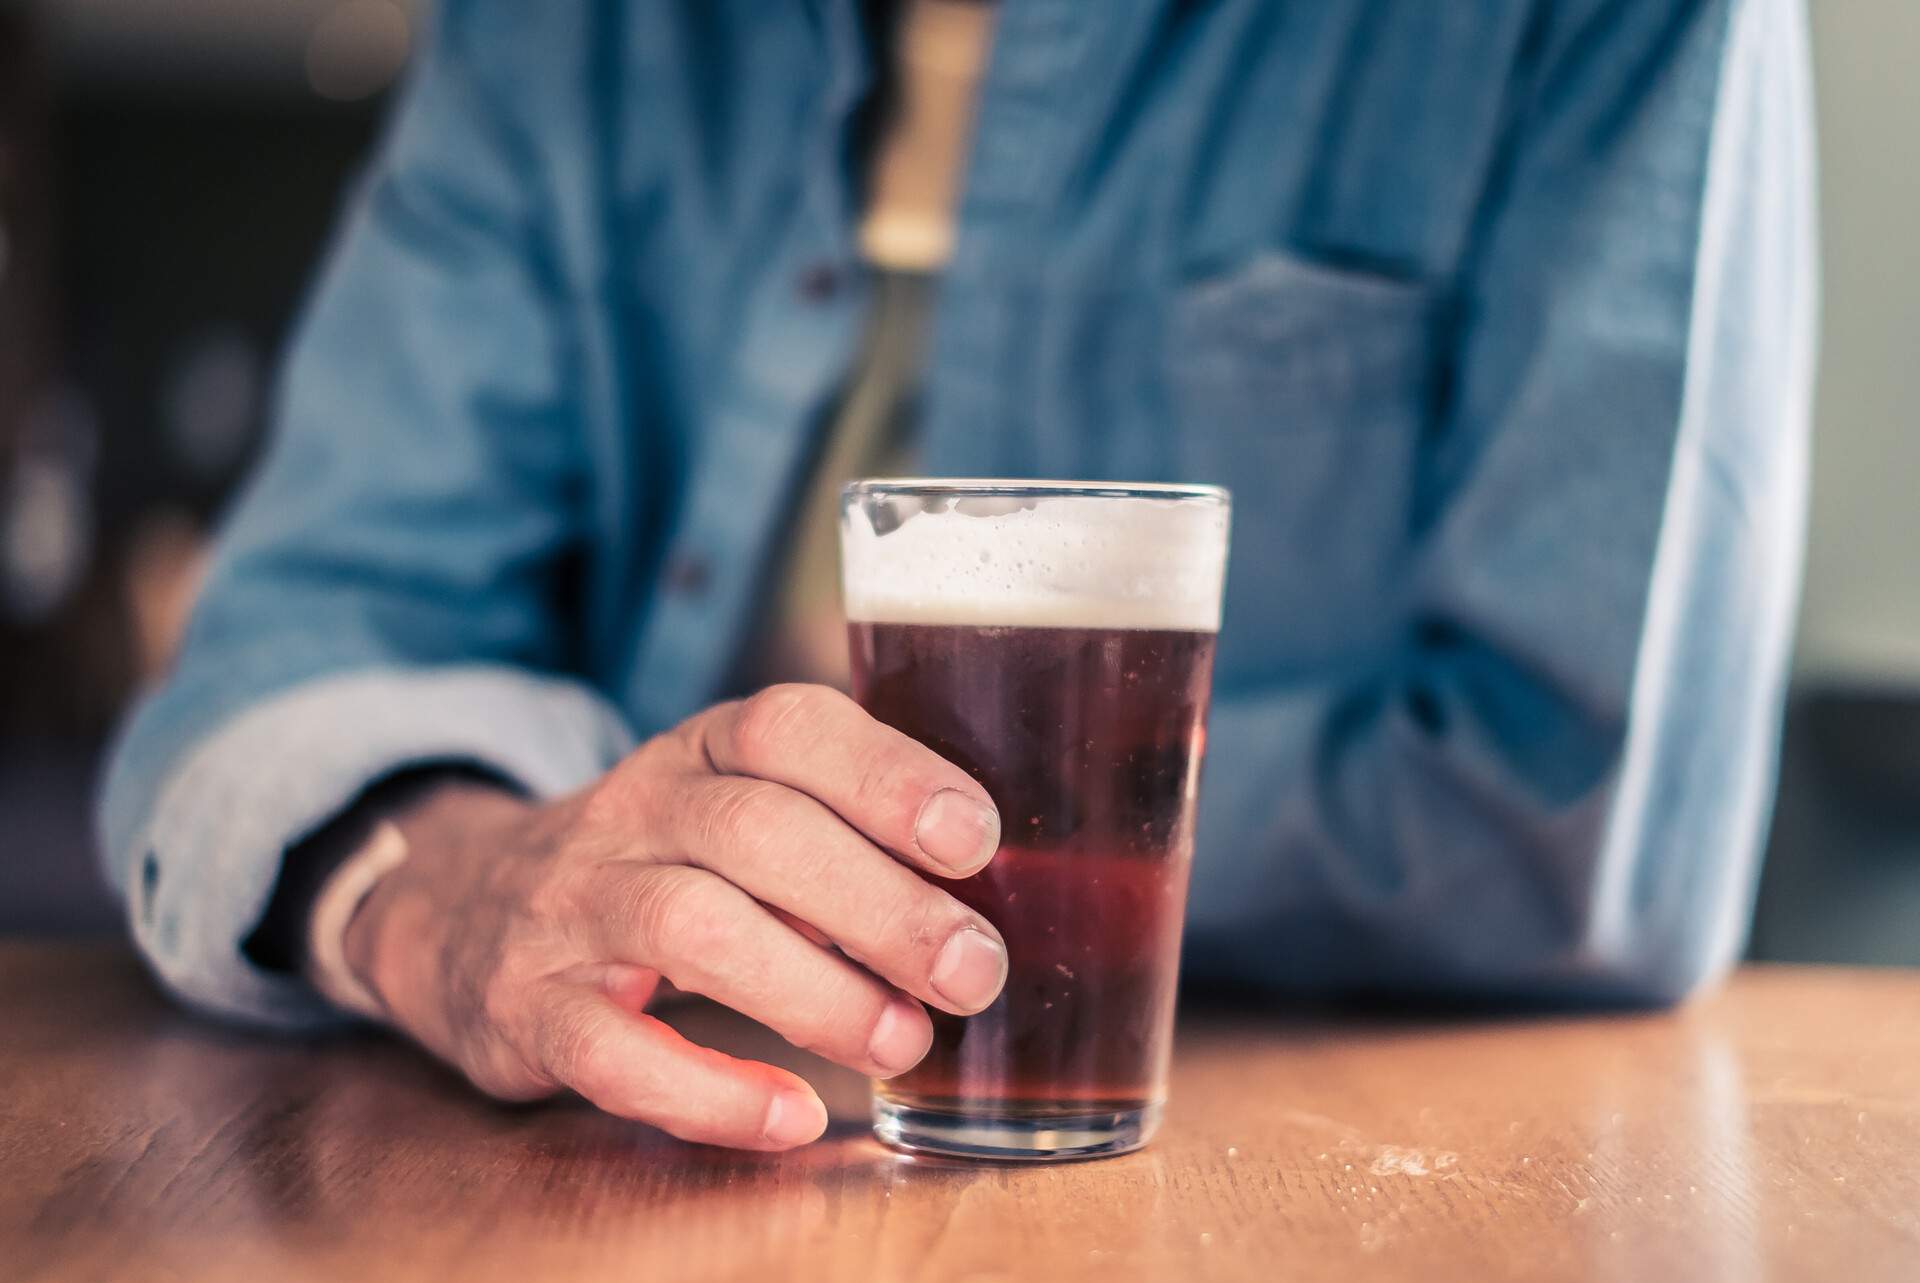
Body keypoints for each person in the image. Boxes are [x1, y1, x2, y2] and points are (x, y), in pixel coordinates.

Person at [98, 0, 1815, 1151]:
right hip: (659, 1174)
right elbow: (283, 652)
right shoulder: (569, 34)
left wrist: (844, 869)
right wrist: (448, 880)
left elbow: (1583, 808)